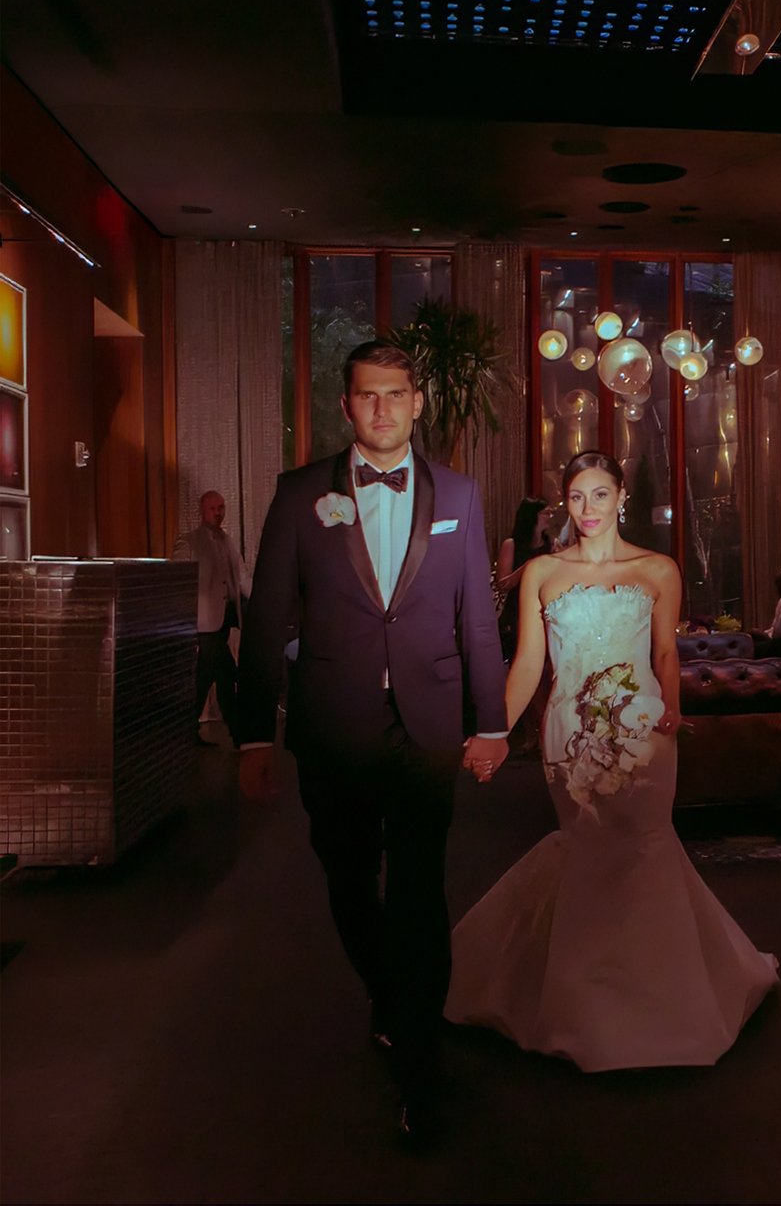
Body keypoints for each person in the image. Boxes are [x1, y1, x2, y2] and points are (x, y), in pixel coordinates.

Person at [235, 340, 509, 1148]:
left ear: (418, 402)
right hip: (333, 728)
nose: (383, 409)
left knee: (421, 895)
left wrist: (490, 722)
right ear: (346, 406)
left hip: (427, 730)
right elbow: (264, 620)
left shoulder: (459, 492)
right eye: (367, 396)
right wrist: (255, 732)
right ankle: (389, 995)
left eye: (397, 394)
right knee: (351, 882)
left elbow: (476, 622)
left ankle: (420, 1075)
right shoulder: (297, 496)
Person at [445, 451, 777, 1073]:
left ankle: (667, 1007)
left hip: (644, 734)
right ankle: (584, 1012)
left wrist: (671, 712)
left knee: (646, 847)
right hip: (569, 736)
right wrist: (494, 733)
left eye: (599, 495)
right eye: (576, 497)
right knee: (589, 852)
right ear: (563, 503)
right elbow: (527, 667)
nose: (588, 509)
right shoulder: (543, 572)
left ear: (620, 497)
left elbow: (666, 654)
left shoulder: (658, 570)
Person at [172, 489, 250, 747]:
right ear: (202, 511)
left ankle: (188, 732)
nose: (218, 513)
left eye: (221, 507)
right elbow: (180, 580)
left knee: (209, 676)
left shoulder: (227, 541)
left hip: (223, 619)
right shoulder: (189, 542)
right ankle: (238, 733)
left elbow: (242, 578)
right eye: (213, 509)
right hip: (204, 622)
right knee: (222, 674)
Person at [495, 497, 553, 656]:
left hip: (544, 607)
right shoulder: (512, 544)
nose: (549, 517)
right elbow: (503, 583)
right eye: (545, 513)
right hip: (518, 608)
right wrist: (529, 566)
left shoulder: (550, 545)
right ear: (532, 516)